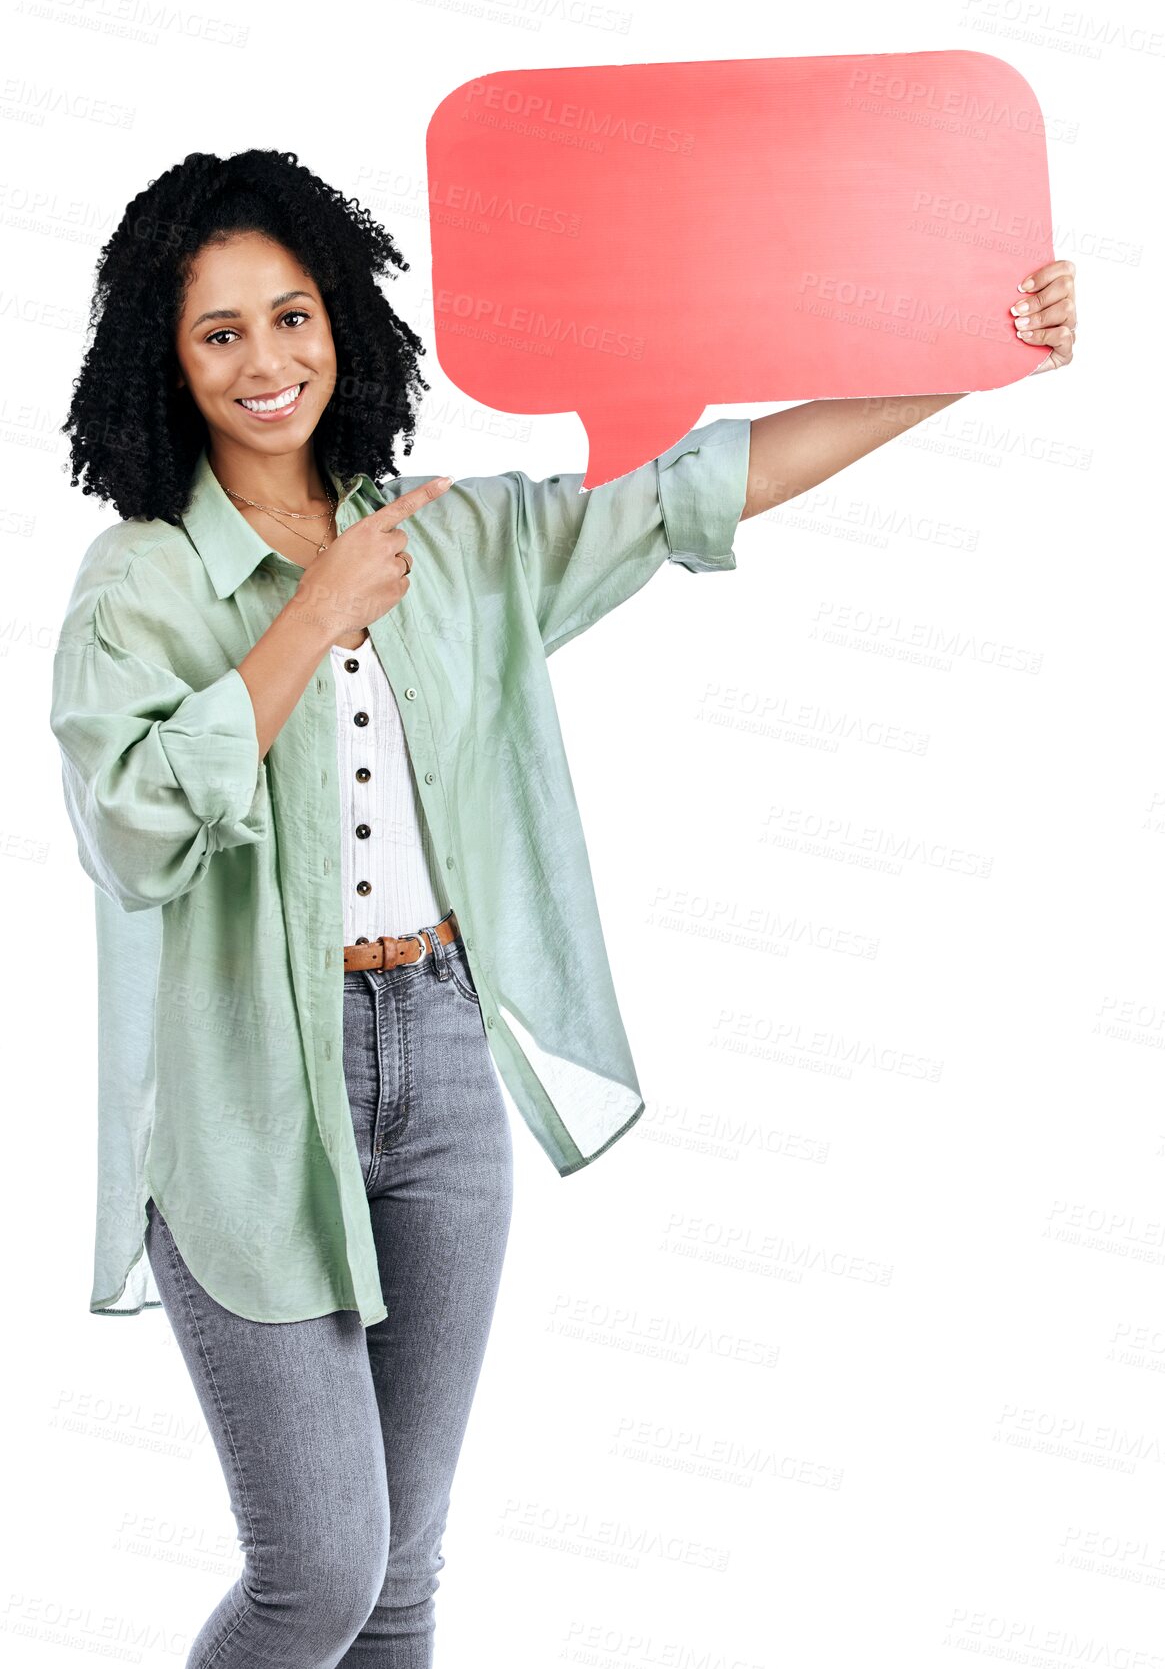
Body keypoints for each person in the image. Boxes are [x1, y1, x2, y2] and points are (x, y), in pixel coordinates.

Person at [48, 146, 1077, 1667]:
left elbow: (699, 485)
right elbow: (130, 834)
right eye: (219, 333)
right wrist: (315, 614)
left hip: (444, 1061)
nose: (266, 362)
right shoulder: (135, 584)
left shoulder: (453, 537)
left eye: (291, 316)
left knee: (401, 1576)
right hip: (248, 1097)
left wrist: (969, 360)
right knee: (317, 1577)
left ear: (343, 323)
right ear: (167, 357)